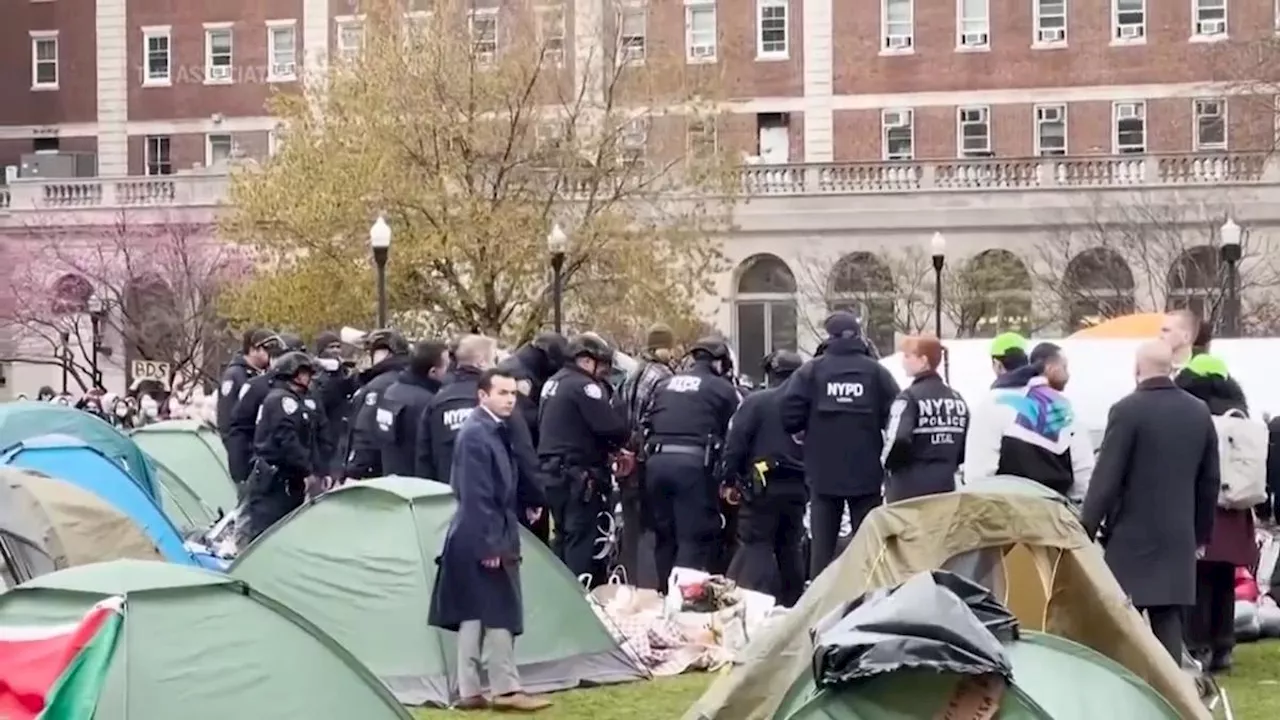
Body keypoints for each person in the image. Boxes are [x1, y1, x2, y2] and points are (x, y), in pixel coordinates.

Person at [1081, 340, 1219, 663]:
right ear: (1171, 369)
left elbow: (1106, 479)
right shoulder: (1198, 412)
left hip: (1130, 538)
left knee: (1119, 623)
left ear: (1137, 369)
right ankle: (1170, 697)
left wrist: (1084, 529)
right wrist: (1199, 535)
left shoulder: (1126, 410)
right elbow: (1209, 481)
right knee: (1168, 624)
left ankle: (1124, 693)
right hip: (1177, 537)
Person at [428, 369, 552, 712]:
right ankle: (507, 690)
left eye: (512, 392)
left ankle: (470, 691)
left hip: (481, 529)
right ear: (483, 395)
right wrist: (490, 545)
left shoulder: (492, 429)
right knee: (500, 611)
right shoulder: (477, 435)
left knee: (474, 613)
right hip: (482, 532)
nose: (510, 398)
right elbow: (476, 495)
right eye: (501, 392)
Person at [781, 312, 899, 580]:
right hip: (866, 473)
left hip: (823, 473)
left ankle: (820, 608)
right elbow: (896, 415)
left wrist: (806, 431)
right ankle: (868, 602)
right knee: (869, 545)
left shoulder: (811, 371)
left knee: (821, 549)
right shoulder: (876, 372)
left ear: (829, 336)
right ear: (859, 336)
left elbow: (788, 415)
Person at [1175, 353, 1259, 672]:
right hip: (1235, 506)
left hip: (1202, 502)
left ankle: (1198, 645)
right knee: (1224, 577)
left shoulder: (1192, 415)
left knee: (1197, 579)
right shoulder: (1240, 416)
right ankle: (1224, 645)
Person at [641, 337, 740, 589]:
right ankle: (682, 603)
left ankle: (663, 594)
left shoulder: (665, 384)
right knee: (692, 539)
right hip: (693, 467)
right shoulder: (722, 389)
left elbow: (646, 420)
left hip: (656, 465)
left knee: (665, 537)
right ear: (719, 363)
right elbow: (735, 433)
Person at [537, 334, 629, 587]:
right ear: (587, 361)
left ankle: (560, 595)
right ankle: (581, 599)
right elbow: (610, 428)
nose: (605, 372)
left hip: (552, 473)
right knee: (583, 541)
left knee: (562, 539)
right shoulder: (585, 386)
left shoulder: (553, 382)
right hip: (578, 476)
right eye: (602, 365)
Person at [722, 350, 806, 606]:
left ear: (770, 373)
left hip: (763, 487)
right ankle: (793, 604)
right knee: (790, 547)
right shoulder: (809, 404)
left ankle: (753, 604)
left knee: (756, 545)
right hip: (799, 487)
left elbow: (736, 443)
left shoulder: (756, 402)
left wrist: (728, 479)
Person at [962, 341, 1093, 501]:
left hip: (1006, 513)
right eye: (1065, 368)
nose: (1069, 375)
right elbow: (1083, 476)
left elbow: (977, 477)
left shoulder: (992, 402)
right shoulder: (1063, 407)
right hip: (1054, 514)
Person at [237, 352, 322, 548]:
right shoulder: (283, 401)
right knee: (266, 533)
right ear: (296, 374)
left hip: (283, 480)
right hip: (275, 480)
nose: (309, 379)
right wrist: (306, 470)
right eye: (306, 373)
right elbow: (287, 440)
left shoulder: (287, 399)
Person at [615, 324, 678, 586]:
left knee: (632, 529)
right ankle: (654, 587)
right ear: (663, 348)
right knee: (658, 529)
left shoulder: (632, 374)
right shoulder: (664, 378)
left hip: (627, 460)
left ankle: (631, 583)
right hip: (649, 460)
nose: (674, 353)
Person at [498, 332, 567, 544]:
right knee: (533, 534)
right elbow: (525, 424)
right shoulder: (520, 378)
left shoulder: (517, 367)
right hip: (522, 461)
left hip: (513, 458)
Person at [882, 335, 968, 503]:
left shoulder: (908, 398)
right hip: (946, 486)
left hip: (908, 490)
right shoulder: (957, 399)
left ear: (923, 360)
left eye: (907, 356)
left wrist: (889, 466)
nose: (903, 362)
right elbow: (965, 444)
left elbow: (897, 439)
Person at [416, 335, 499, 483]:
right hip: (491, 496)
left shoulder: (437, 401)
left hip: (446, 495)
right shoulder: (495, 398)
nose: (496, 366)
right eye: (494, 360)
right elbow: (520, 449)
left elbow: (424, 456)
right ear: (481, 362)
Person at [226, 334, 302, 490]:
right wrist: (241, 472)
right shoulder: (257, 387)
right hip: (262, 469)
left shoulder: (303, 388)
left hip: (295, 471)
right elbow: (238, 428)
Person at [344, 329, 412, 480]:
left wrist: (355, 470)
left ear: (385, 352)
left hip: (375, 473)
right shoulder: (412, 381)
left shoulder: (377, 386)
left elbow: (365, 431)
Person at [375, 340, 449, 476]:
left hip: (391, 477)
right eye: (447, 367)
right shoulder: (427, 402)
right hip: (417, 485)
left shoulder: (390, 392)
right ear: (432, 372)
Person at [217, 329, 279, 447]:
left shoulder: (261, 374)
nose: (270, 354)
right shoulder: (235, 376)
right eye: (266, 349)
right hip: (243, 446)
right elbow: (226, 418)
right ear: (252, 350)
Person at [311, 331, 358, 474]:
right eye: (331, 347)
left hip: (344, 432)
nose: (336, 351)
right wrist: (332, 376)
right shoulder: (315, 374)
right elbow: (322, 399)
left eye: (338, 347)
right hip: (326, 434)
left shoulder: (344, 371)